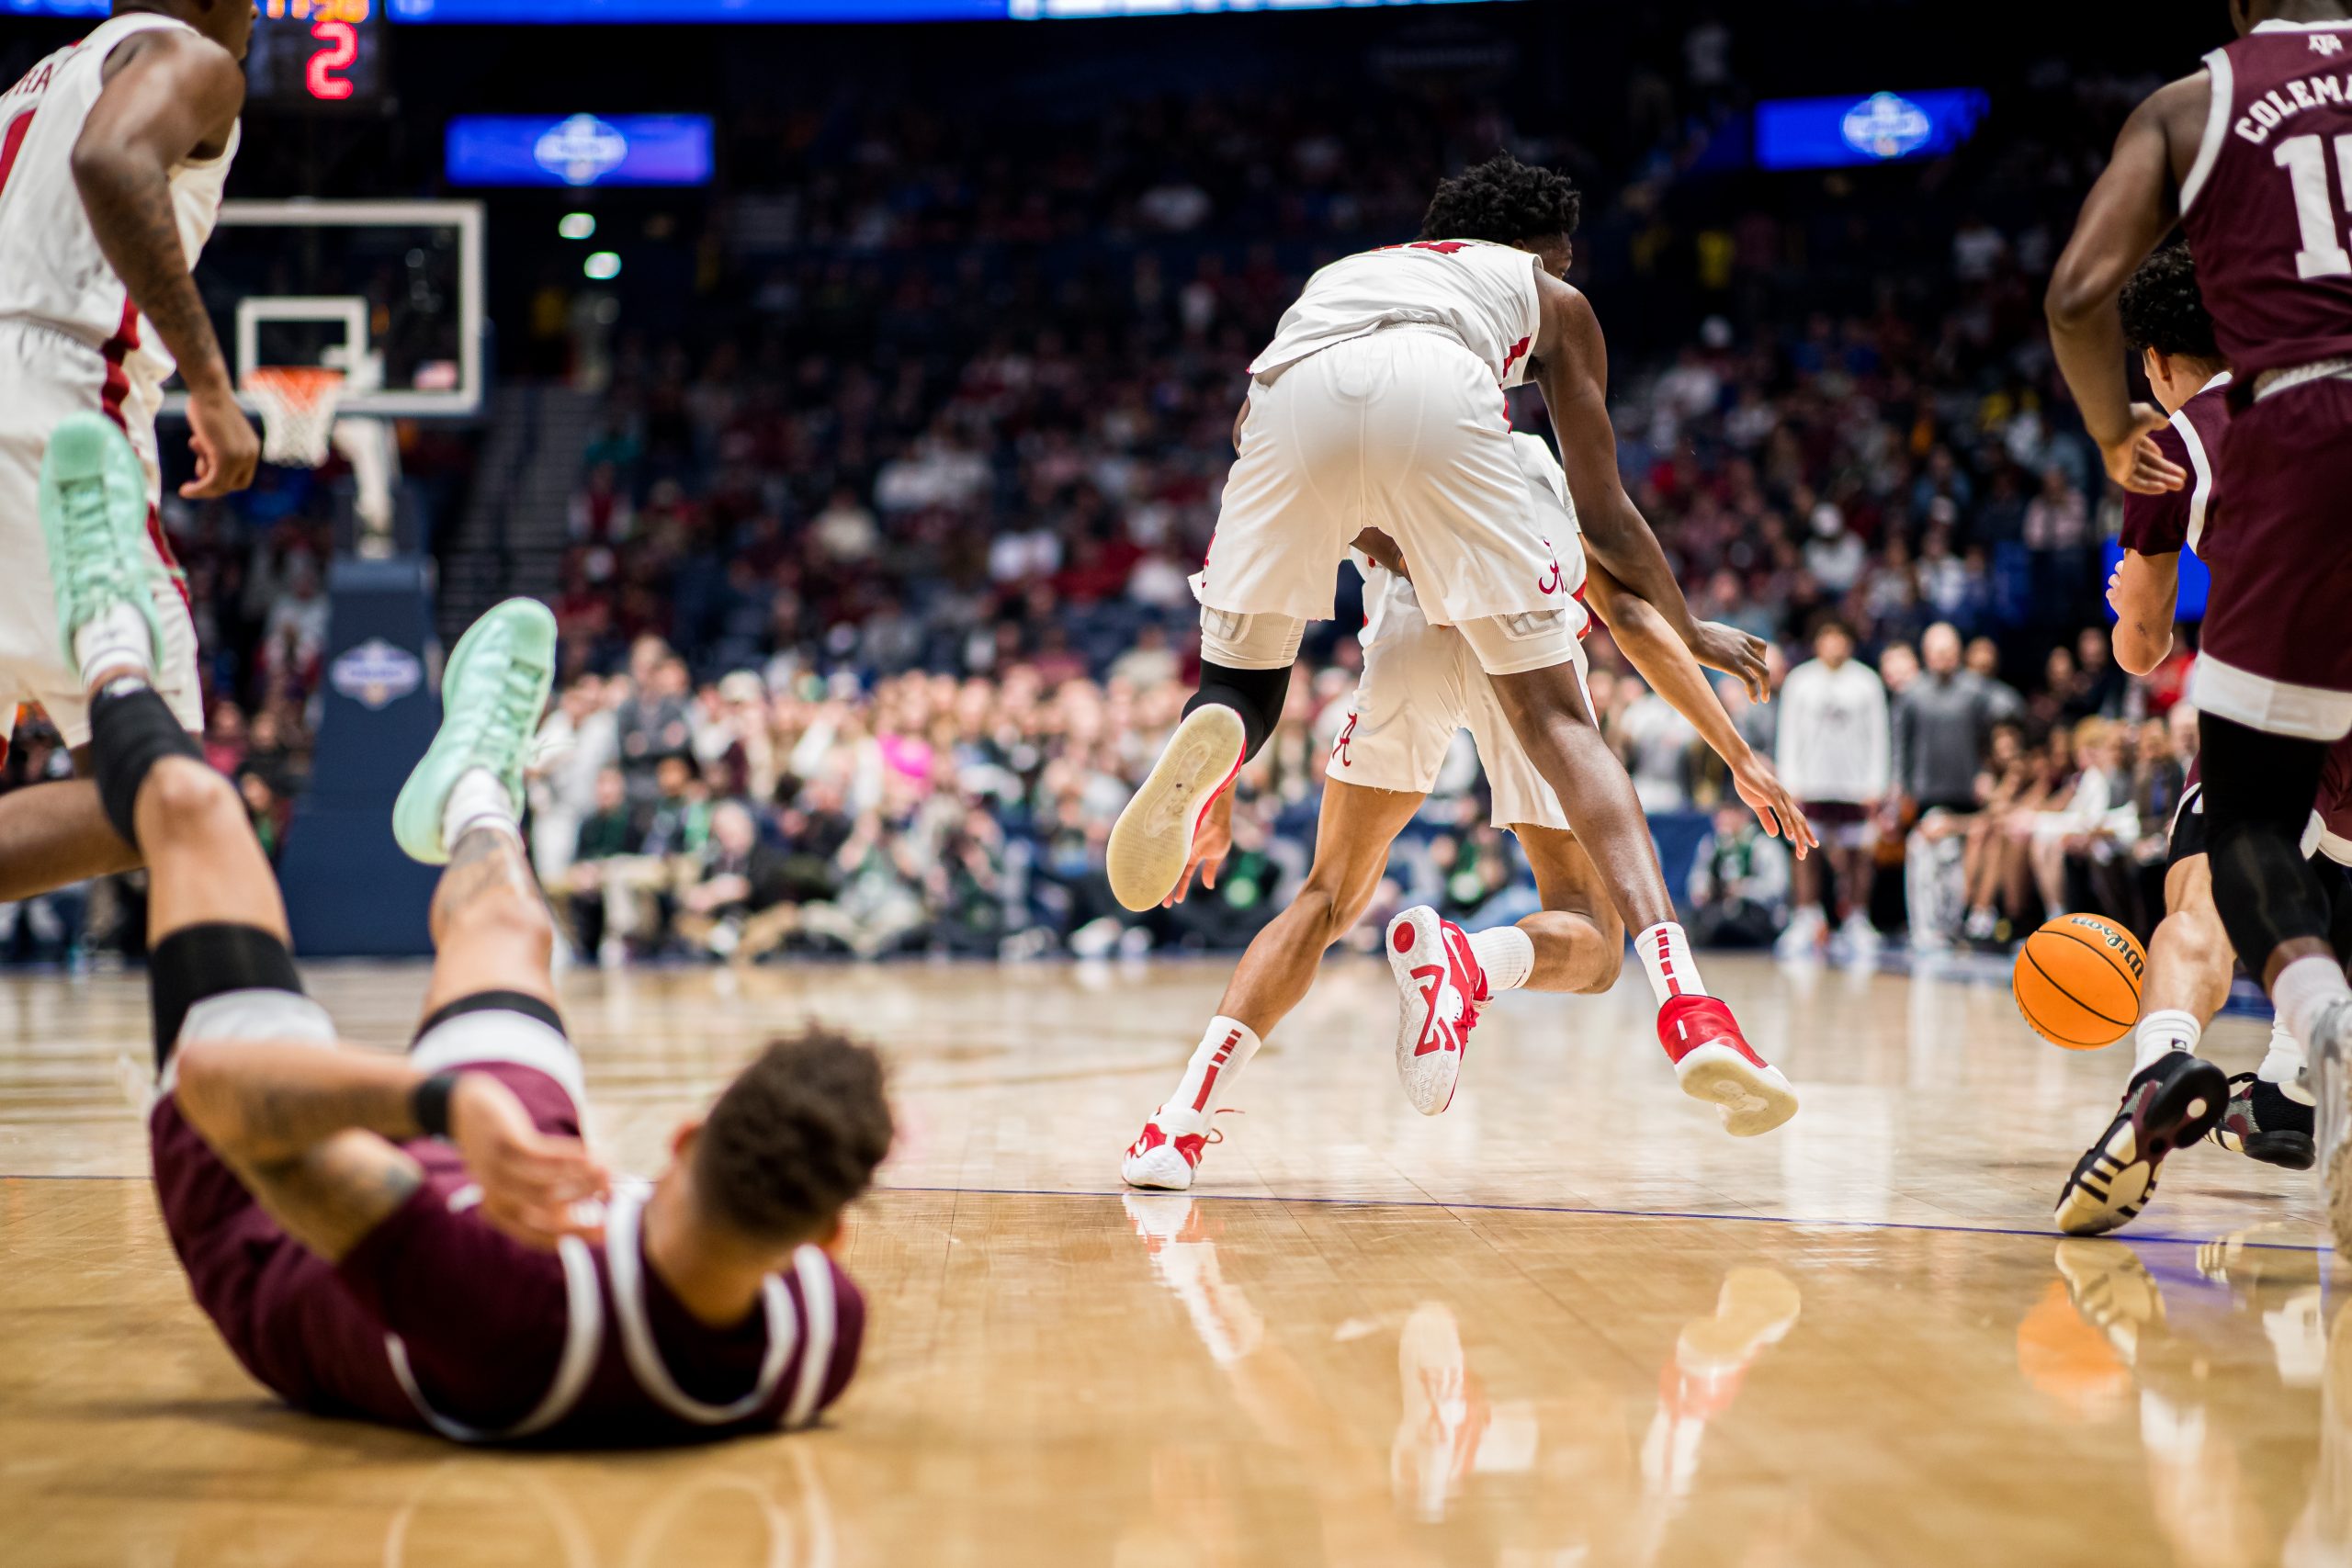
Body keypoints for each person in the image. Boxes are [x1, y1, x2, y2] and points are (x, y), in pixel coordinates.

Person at [47, 461, 888, 1442]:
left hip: (271, 1209)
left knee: (195, 807)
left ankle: (104, 637)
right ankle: (474, 786)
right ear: (830, 1239)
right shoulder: (822, 1333)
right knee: (512, 927)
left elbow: (215, 1085)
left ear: (685, 1139)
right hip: (524, 1195)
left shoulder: (498, 1306)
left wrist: (445, 1103)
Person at [1107, 152, 1781, 1124]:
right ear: (1542, 255)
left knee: (1312, 858)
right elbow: (1622, 571)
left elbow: (1272, 430)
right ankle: (1674, 999)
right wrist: (1712, 678)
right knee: (1569, 788)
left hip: (1299, 415)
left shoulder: (1347, 276)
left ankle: (1175, 1123)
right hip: (1494, 586)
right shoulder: (1527, 389)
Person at [1121, 434, 1808, 1191]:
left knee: (1324, 899)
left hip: (1409, 630)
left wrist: (1220, 785)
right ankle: (1470, 962)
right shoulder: (1544, 458)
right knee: (1593, 938)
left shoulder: (1379, 433)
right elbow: (1632, 617)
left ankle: (1178, 1124)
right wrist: (1737, 752)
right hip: (1524, 634)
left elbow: (1327, 538)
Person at [2047, 0, 2352, 1248]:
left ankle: (2171, 1059)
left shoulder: (2182, 434)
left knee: (2216, 882)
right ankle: (2288, 1085)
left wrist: (2120, 471)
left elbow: (2139, 647)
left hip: (2305, 498)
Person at [0, 0, 262, 905]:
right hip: (55, 410)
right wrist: (213, 389)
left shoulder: (28, 93)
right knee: (161, 787)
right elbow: (113, 160)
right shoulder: (189, 57)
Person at [1772, 615, 1889, 961]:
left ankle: (1856, 919)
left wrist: (1876, 783)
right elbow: (1788, 734)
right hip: (1810, 782)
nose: (1835, 643)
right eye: (1828, 636)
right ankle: (1806, 917)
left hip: (1854, 784)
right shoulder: (1800, 681)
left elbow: (1879, 735)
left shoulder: (1867, 682)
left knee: (1858, 853)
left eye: (1841, 636)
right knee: (1804, 851)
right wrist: (1789, 782)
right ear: (1817, 641)